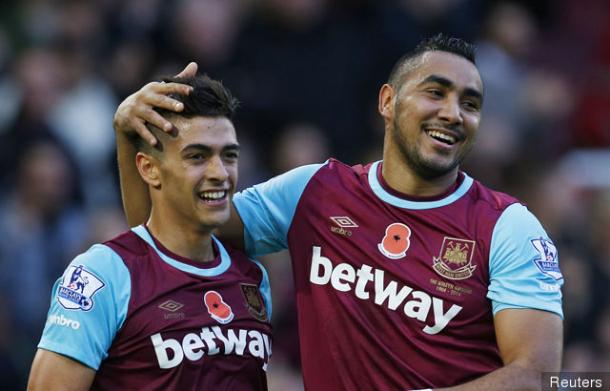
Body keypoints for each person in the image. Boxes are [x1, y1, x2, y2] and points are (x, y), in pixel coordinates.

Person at [113, 34, 563, 390]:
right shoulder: (314, 192)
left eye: (470, 104)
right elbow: (165, 239)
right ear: (387, 102)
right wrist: (128, 134)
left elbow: (540, 376)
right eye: (436, 92)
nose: (453, 113)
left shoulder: (508, 226)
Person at [27, 74, 272, 390]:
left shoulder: (252, 277)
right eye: (197, 156)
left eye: (229, 155)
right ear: (148, 168)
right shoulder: (102, 274)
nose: (220, 173)